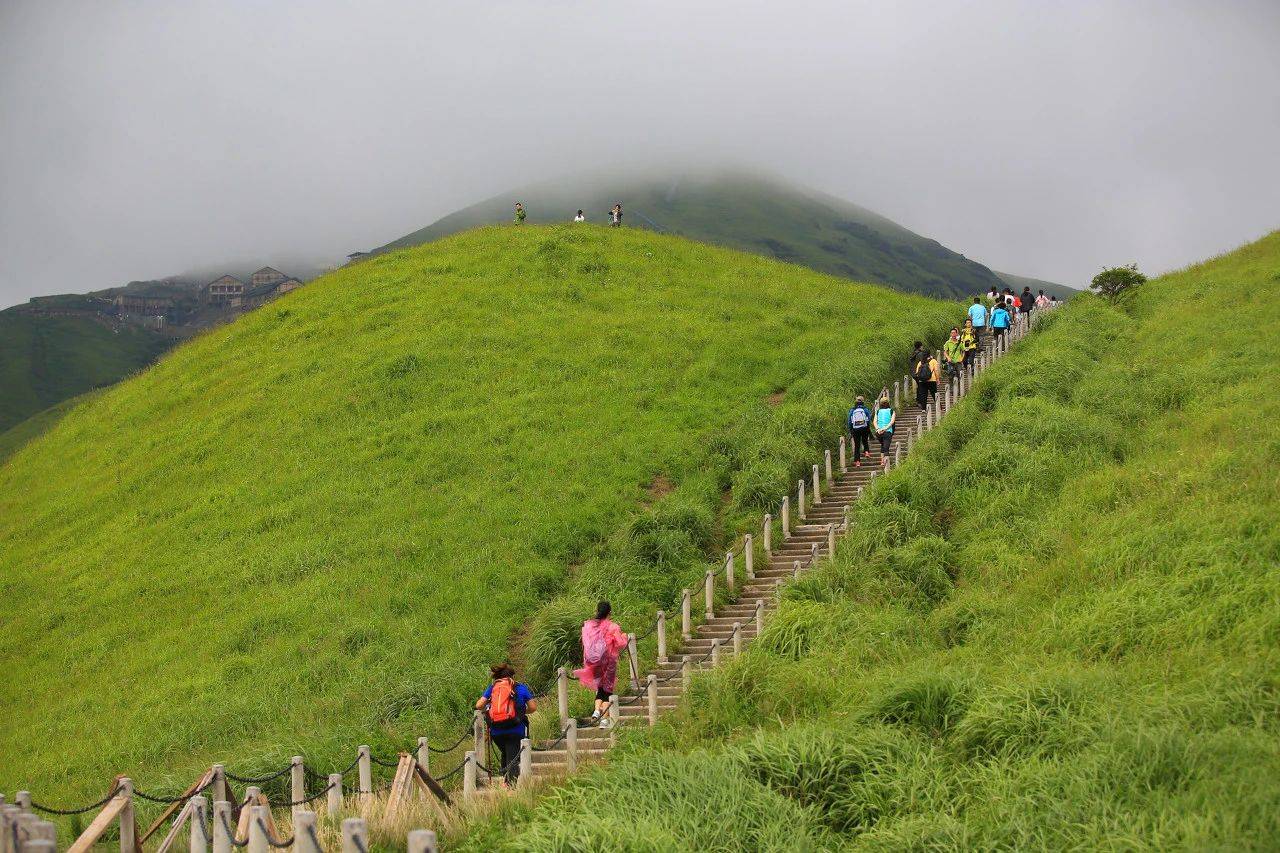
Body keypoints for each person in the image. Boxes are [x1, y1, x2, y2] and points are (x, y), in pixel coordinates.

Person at [475, 663, 537, 785]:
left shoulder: (492, 688)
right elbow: (533, 707)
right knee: (513, 757)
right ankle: (510, 786)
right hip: (515, 729)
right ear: (512, 676)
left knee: (506, 753)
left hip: (496, 731)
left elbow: (478, 705)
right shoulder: (520, 688)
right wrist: (521, 712)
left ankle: (506, 780)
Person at [574, 601, 629, 728]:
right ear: (610, 612)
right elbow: (620, 644)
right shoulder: (613, 626)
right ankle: (604, 720)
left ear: (597, 611)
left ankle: (596, 710)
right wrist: (624, 637)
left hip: (594, 662)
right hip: (609, 662)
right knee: (607, 690)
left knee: (599, 689)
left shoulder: (589, 626)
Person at [847, 395, 872, 466]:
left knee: (857, 445)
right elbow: (869, 418)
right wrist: (867, 427)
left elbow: (849, 421)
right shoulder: (865, 409)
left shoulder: (852, 410)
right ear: (863, 401)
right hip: (864, 428)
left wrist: (851, 429)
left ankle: (857, 462)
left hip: (855, 429)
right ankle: (866, 452)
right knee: (865, 441)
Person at [873, 396, 895, 466]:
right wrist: (885, 429)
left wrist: (878, 429)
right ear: (888, 403)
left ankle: (882, 461)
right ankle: (887, 464)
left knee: (883, 445)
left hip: (878, 433)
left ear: (880, 404)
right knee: (886, 448)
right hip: (887, 432)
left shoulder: (878, 411)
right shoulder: (891, 411)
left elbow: (874, 422)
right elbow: (892, 422)